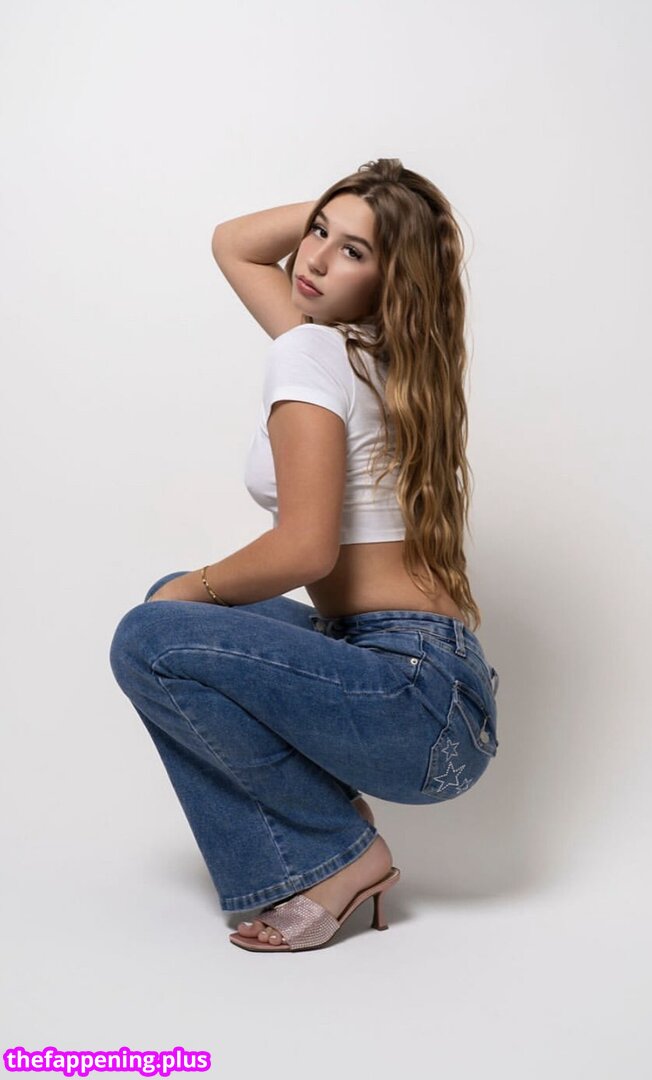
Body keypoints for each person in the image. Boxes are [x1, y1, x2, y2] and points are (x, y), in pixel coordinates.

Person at [109, 157, 500, 954]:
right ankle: (327, 842)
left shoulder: (312, 353)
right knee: (167, 602)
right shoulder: (377, 354)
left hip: (408, 699)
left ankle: (335, 857)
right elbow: (236, 243)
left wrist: (191, 590)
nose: (314, 257)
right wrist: (373, 202)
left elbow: (305, 548)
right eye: (318, 231)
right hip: (443, 702)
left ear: (393, 279)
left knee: (150, 632)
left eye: (352, 251)